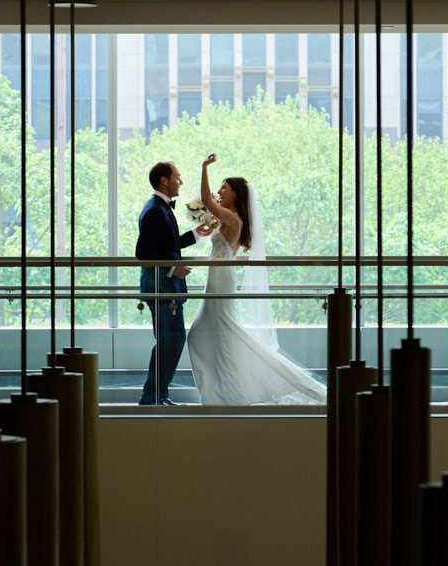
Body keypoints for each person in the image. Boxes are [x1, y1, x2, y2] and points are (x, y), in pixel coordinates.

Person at [187, 153, 327, 405]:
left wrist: (204, 167)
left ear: (236, 195)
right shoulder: (228, 219)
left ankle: (227, 394)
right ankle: (220, 392)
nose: (219, 191)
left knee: (214, 333)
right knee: (210, 333)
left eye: (224, 188)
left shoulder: (231, 218)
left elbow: (206, 200)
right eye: (220, 187)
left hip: (220, 279)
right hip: (220, 277)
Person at [136, 161, 211, 405]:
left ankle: (156, 395)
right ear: (164, 180)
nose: (181, 181)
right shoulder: (156, 210)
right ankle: (152, 397)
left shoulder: (160, 208)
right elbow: (144, 253)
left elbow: (166, 245)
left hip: (164, 287)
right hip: (160, 287)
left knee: (172, 339)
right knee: (171, 339)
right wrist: (172, 267)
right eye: (177, 177)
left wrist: (196, 234)